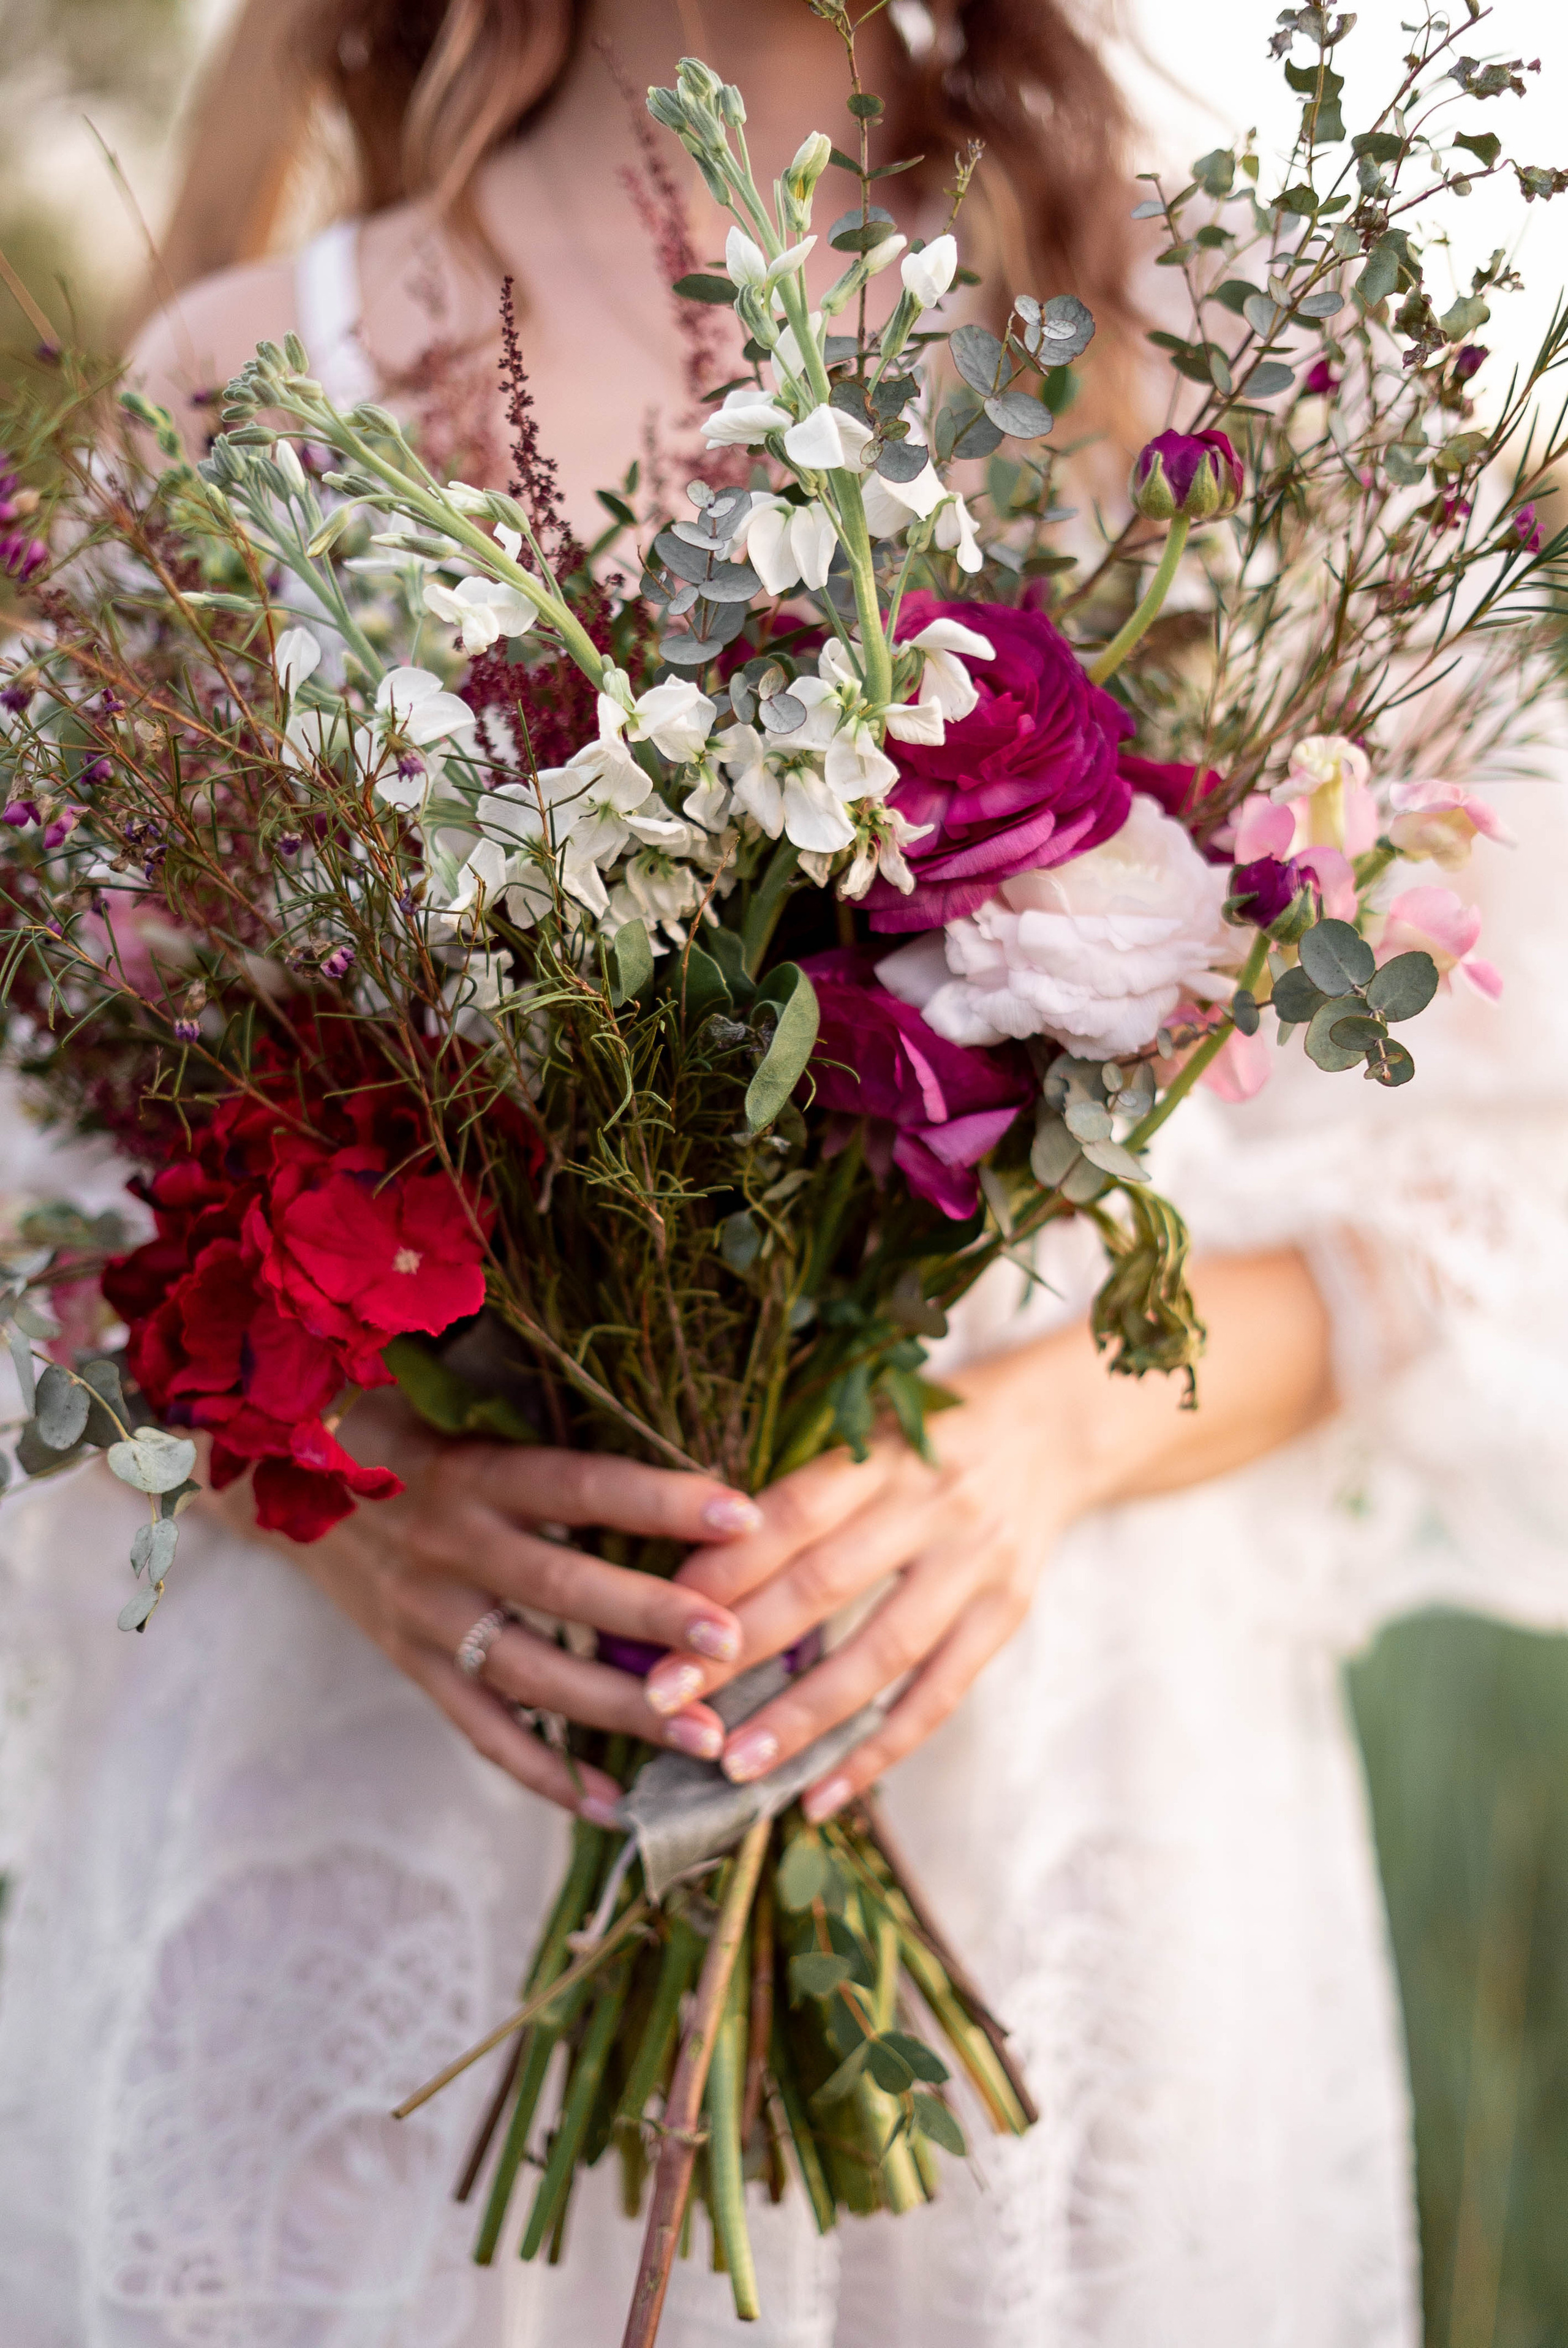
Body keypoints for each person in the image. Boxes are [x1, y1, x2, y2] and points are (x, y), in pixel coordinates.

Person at [2, 2, 1567, 2343]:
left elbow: (1491, 1192)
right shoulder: (262, 372)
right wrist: (342, 1486)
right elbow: (59, 1189)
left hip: (1041, 1786)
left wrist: (1034, 1443)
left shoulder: (1214, 343)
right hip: (394, 1806)